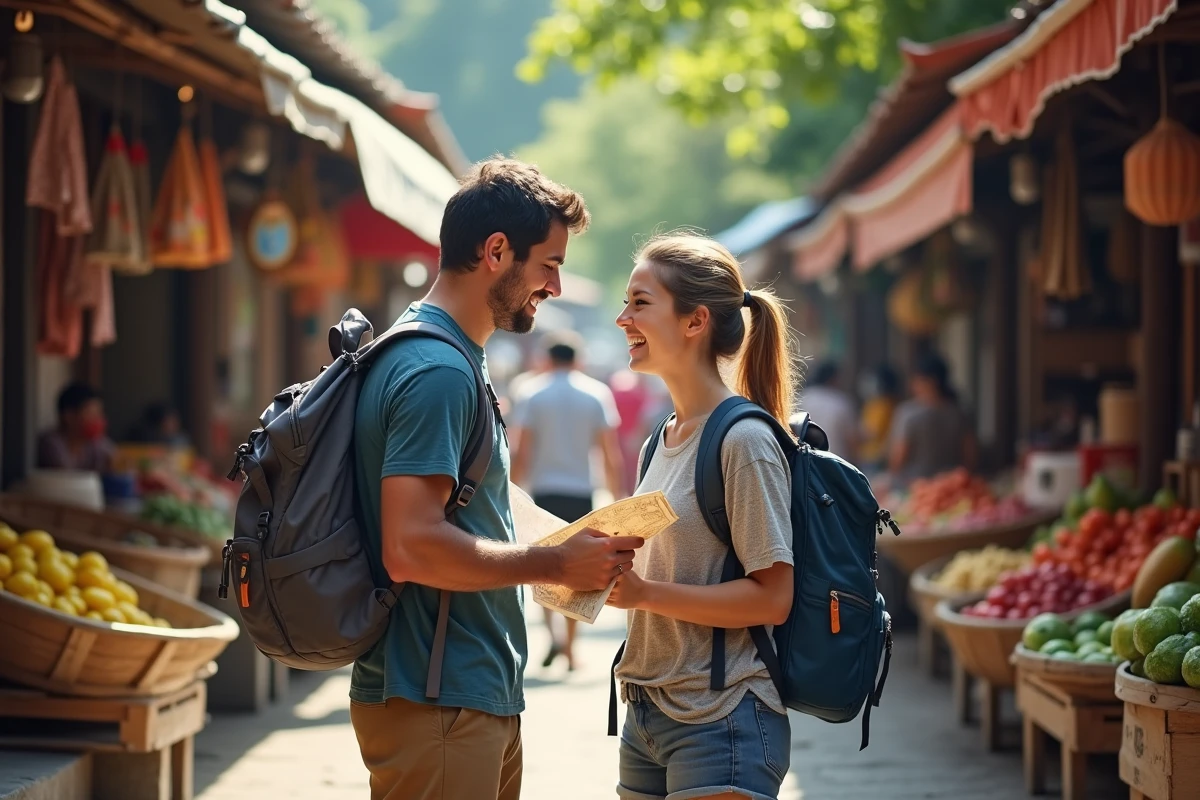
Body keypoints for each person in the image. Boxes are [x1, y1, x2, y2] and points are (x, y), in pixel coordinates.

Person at [349, 158, 645, 800]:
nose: (556, 287)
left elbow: (454, 512)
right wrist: (553, 564)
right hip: (439, 696)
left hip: (461, 694)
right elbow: (411, 546)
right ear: (496, 251)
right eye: (549, 265)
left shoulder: (451, 357)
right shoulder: (437, 370)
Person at [607, 232, 796, 800]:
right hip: (645, 712)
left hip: (722, 716)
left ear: (695, 322)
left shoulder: (743, 442)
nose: (623, 319)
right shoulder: (659, 440)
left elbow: (772, 598)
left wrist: (643, 595)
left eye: (640, 303)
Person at [510, 331, 625, 671]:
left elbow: (521, 449)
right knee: (578, 571)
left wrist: (513, 491)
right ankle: (571, 647)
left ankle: (553, 637)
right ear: (578, 359)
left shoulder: (531, 391)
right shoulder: (596, 393)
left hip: (543, 490)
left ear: (548, 359)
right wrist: (617, 497)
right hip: (581, 490)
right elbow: (608, 453)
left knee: (544, 567)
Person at [888, 352, 977, 486]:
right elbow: (970, 455)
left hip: (915, 487)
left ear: (930, 381)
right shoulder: (959, 412)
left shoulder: (908, 413)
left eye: (916, 379)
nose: (912, 384)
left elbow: (899, 457)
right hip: (950, 486)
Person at [36, 382, 116, 473]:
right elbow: (66, 479)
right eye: (91, 414)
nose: (98, 420)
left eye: (99, 414)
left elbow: (116, 460)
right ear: (69, 416)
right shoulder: (51, 444)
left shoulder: (96, 443)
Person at [793, 359, 857, 462]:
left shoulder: (802, 398)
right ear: (834, 379)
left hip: (805, 463)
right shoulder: (840, 402)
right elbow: (851, 441)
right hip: (837, 464)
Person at [858, 364, 900, 470]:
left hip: (876, 457)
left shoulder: (882, 405)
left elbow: (871, 432)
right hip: (871, 456)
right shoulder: (875, 403)